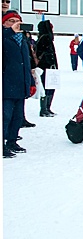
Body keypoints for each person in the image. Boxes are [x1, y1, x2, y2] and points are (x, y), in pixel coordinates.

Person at [2, 10, 35, 157]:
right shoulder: (4, 37)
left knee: (17, 117)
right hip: (6, 85)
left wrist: (31, 81)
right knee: (5, 116)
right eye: (11, 21)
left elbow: (27, 63)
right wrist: (9, 31)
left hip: (20, 85)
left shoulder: (22, 39)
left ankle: (12, 141)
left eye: (17, 21)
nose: (15, 24)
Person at [35, 19, 59, 117]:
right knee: (48, 87)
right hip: (47, 66)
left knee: (47, 87)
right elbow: (48, 53)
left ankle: (46, 108)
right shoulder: (46, 38)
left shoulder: (41, 38)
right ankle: (45, 109)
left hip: (44, 66)